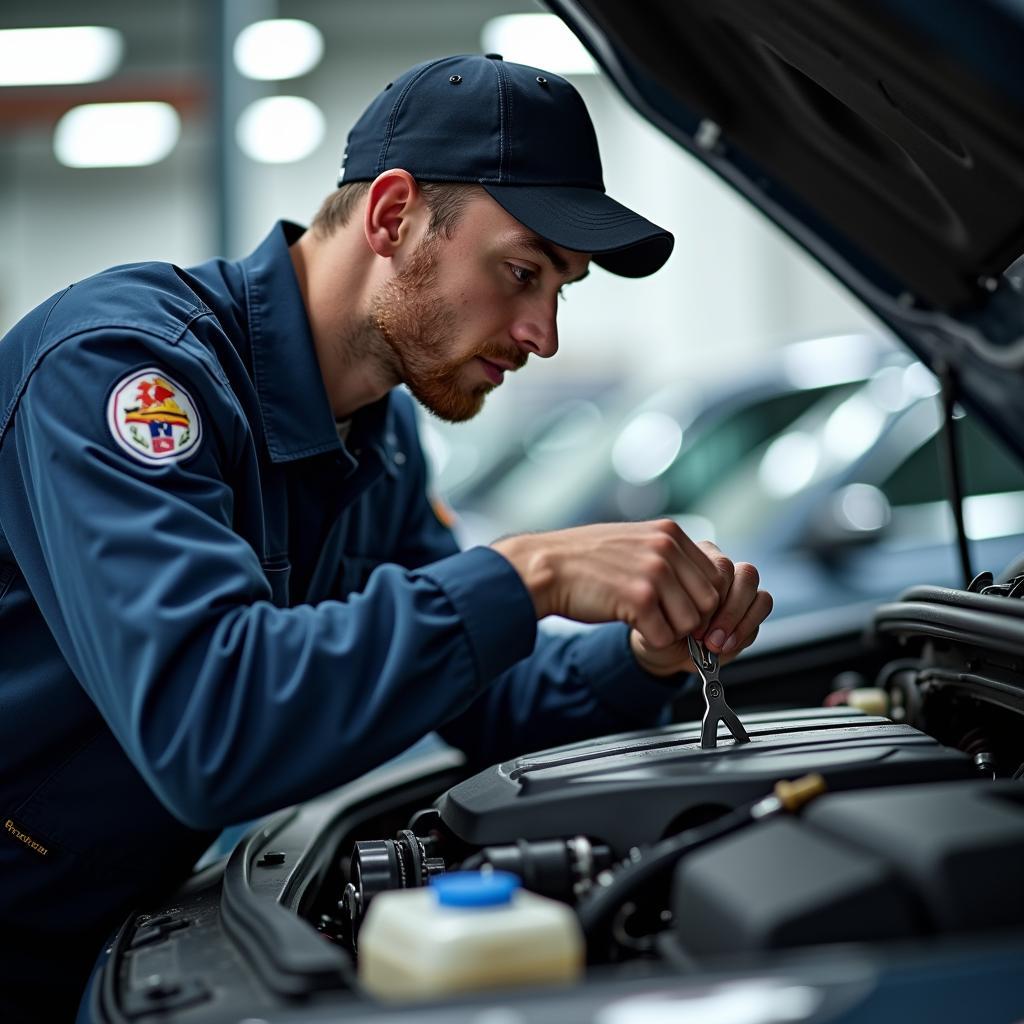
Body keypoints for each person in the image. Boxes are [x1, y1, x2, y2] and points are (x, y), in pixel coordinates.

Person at [0, 54, 771, 1019]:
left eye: (561, 290)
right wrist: (526, 570)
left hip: (104, 943)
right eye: (522, 271)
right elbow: (212, 725)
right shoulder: (123, 368)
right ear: (393, 214)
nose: (544, 333)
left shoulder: (379, 439)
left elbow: (496, 707)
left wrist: (647, 659)